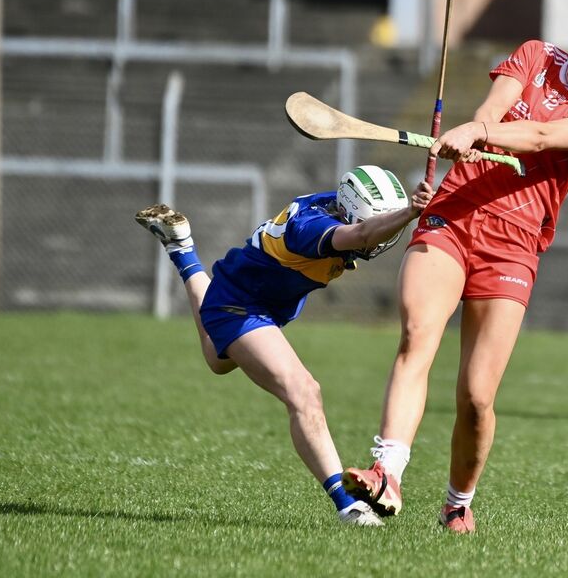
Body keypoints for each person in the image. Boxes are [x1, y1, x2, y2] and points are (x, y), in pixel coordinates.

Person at [341, 2, 568, 533]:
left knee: (477, 396)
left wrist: (481, 135)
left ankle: (458, 502)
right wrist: (477, 127)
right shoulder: (536, 55)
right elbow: (494, 109)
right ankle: (386, 471)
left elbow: (540, 138)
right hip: (453, 215)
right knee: (418, 334)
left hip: (513, 245)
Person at [135, 166, 433, 526]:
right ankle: (348, 507)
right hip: (241, 303)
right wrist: (410, 213)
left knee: (217, 359)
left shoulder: (337, 207)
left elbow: (368, 227)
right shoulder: (312, 228)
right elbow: (365, 232)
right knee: (304, 392)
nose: (383, 241)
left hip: (261, 299)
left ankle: (182, 249)